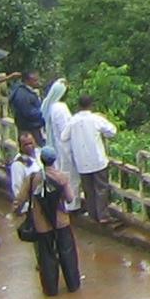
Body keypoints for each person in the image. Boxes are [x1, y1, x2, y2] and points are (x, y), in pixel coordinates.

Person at [17, 149, 84, 297]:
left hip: (42, 224)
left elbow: (21, 198)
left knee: (46, 256)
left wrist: (16, 210)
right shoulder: (62, 177)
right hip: (61, 221)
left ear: (41, 160)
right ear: (54, 160)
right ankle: (73, 284)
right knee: (67, 253)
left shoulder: (33, 178)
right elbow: (70, 198)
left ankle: (50, 289)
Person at [65, 95, 116, 224]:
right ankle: (103, 215)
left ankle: (93, 215)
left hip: (82, 162)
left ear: (78, 106)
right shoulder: (96, 119)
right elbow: (112, 131)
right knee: (101, 188)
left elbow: (63, 136)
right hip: (97, 160)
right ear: (91, 105)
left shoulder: (72, 121)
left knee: (88, 189)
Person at [8, 71, 46, 154]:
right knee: (35, 151)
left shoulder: (26, 91)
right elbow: (28, 112)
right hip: (30, 129)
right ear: (27, 81)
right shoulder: (22, 95)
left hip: (31, 127)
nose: (38, 82)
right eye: (35, 80)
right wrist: (43, 113)